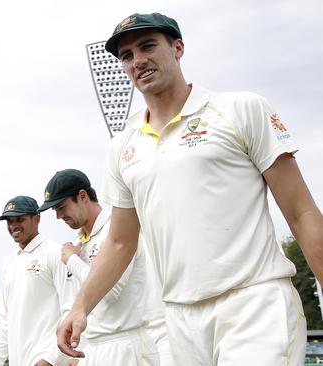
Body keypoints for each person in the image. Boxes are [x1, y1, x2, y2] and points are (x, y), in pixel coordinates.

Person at [57, 12, 323, 365]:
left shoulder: (240, 110)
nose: (138, 61)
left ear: (178, 47)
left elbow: (301, 213)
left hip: (254, 302)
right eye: (127, 55)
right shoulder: (123, 147)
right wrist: (80, 307)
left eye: (148, 46)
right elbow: (120, 241)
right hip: (180, 319)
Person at [38, 169, 159, 365]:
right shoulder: (80, 243)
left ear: (83, 196)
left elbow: (109, 292)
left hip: (125, 346)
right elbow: (81, 306)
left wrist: (72, 261)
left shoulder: (117, 231)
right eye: (55, 210)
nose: (59, 216)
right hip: (94, 349)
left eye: (62, 207)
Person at [0, 196, 77, 366]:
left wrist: (50, 358)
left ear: (36, 218)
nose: (13, 226)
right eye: (9, 221)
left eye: (20, 219)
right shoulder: (9, 262)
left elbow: (71, 308)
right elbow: (4, 319)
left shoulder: (54, 252)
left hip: (48, 360)